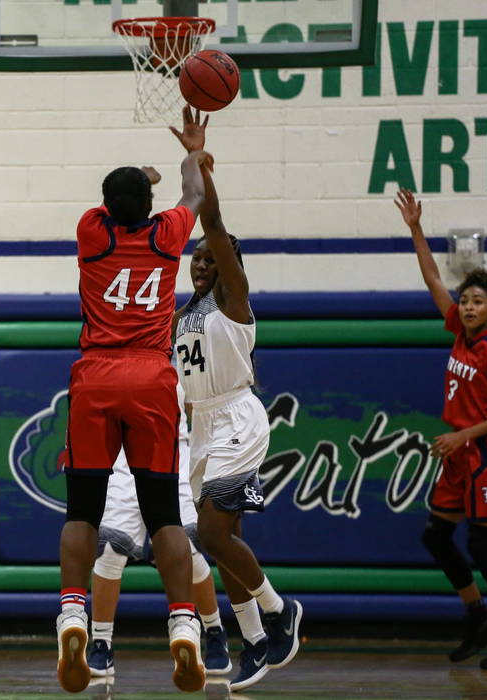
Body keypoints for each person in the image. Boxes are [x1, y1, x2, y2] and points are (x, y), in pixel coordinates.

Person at [55, 127, 212, 693]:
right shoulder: (168, 236)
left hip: (96, 377)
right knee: (165, 517)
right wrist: (192, 148)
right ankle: (185, 627)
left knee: (82, 513)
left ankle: (75, 619)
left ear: (106, 206)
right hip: (150, 378)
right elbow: (193, 191)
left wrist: (138, 177)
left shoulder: (90, 233)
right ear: (150, 208)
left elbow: (116, 199)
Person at [171, 108, 302, 692]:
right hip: (202, 427)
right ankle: (252, 640)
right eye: (195, 258)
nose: (201, 263)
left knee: (212, 535)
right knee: (226, 538)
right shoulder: (182, 316)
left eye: (211, 258)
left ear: (227, 267)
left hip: (237, 419)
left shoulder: (235, 301)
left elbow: (216, 222)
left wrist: (200, 164)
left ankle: (278, 611)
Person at [395, 188, 487, 670]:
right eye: (466, 300)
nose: (469, 306)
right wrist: (416, 228)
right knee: (436, 537)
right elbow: (433, 277)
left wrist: (462, 435)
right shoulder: (458, 330)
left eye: (478, 301)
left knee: (481, 544)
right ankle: (480, 617)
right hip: (459, 457)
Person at [86, 385, 232, 679]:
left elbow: (199, 411)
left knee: (187, 551)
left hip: (173, 452)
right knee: (110, 551)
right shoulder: (110, 356)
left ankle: (214, 630)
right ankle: (101, 641)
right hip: (122, 458)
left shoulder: (182, 359)